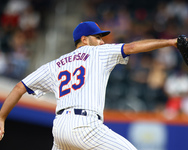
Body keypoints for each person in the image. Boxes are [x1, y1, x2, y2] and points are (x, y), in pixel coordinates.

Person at [0, 21, 177, 149]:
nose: (102, 41)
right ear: (84, 39)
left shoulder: (55, 64)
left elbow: (19, 87)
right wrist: (171, 42)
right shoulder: (97, 52)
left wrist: (1, 118)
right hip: (85, 126)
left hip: (60, 128)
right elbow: (132, 47)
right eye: (98, 37)